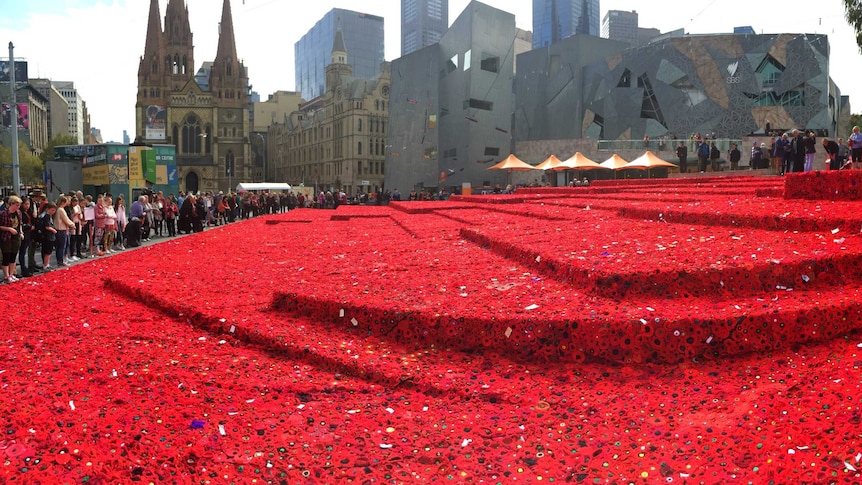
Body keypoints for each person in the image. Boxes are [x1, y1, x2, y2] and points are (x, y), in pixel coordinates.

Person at [0, 195, 24, 283]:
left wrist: (21, 232)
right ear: (11, 204)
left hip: (16, 236)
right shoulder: (3, 213)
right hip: (6, 237)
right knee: (6, 256)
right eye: (17, 205)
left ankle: (11, 274)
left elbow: (20, 223)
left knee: (13, 256)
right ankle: (6, 276)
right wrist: (9, 229)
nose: (18, 207)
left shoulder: (18, 213)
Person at [53, 195, 74, 266]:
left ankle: (59, 260)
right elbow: (66, 219)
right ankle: (61, 261)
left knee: (59, 246)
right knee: (62, 246)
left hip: (58, 229)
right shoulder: (61, 210)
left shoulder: (58, 209)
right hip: (61, 229)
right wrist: (72, 224)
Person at [36, 202, 58, 271]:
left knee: (48, 251)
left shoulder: (48, 216)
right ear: (47, 209)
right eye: (52, 210)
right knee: (47, 252)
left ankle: (47, 264)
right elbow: (47, 227)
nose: (53, 212)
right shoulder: (46, 216)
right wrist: (53, 230)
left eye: (54, 210)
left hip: (48, 236)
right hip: (48, 236)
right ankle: (45, 265)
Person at [17, 198, 34, 277]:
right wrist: (29, 226)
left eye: (28, 204)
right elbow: (21, 224)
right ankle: (23, 268)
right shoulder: (20, 213)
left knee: (24, 251)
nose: (27, 206)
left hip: (29, 233)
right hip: (24, 232)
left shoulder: (28, 211)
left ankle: (25, 267)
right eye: (26, 204)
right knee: (22, 252)